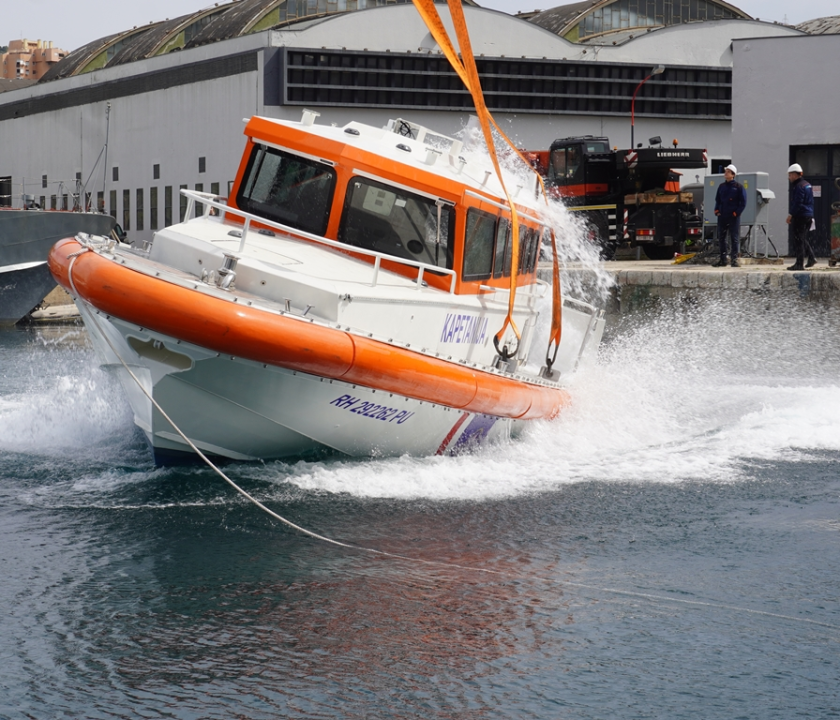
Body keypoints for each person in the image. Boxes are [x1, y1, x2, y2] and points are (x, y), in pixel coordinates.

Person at [713, 164, 747, 267]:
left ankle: (734, 260)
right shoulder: (721, 186)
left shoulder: (738, 187)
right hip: (722, 216)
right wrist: (717, 210)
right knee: (722, 238)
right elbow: (718, 200)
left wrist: (736, 212)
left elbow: (743, 202)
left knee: (734, 238)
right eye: (725, 171)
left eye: (728, 172)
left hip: (733, 217)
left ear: (733, 174)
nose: (726, 173)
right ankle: (723, 259)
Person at [786, 163, 816, 271]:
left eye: (790, 175)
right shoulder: (807, 185)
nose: (789, 178)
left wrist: (791, 214)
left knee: (798, 240)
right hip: (808, 214)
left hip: (801, 216)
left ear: (795, 175)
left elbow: (798, 202)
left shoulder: (799, 186)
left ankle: (799, 264)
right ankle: (811, 258)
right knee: (801, 238)